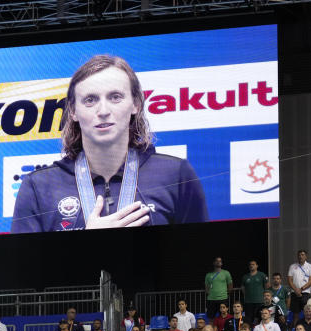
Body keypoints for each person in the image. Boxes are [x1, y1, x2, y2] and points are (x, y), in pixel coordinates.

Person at [11, 55, 207, 232]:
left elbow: (197, 259)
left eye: (115, 97)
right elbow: (26, 270)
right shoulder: (38, 187)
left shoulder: (176, 174)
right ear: (73, 112)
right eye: (90, 100)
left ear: (136, 104)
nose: (103, 110)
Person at [288, 249, 311, 318]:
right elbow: (289, 280)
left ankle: (307, 328)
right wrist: (296, 290)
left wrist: (300, 289)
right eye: (299, 255)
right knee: (295, 314)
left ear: (306, 256)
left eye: (302, 255)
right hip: (294, 293)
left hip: (306, 293)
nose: (300, 256)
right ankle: (295, 328)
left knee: (307, 313)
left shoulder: (310, 266)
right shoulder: (292, 266)